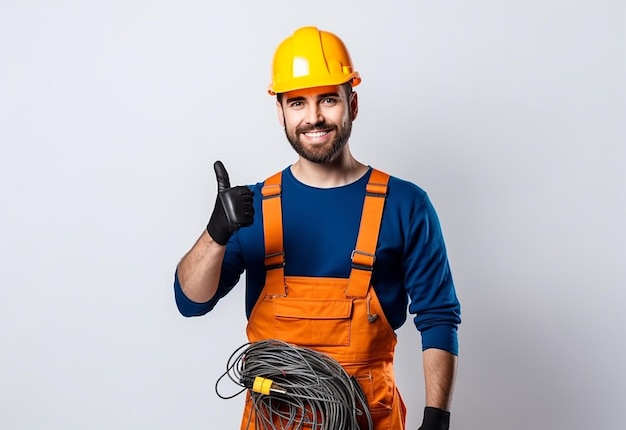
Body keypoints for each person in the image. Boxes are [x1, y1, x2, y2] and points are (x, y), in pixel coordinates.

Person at [174, 26, 461, 430]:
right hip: (275, 418)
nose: (314, 118)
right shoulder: (252, 208)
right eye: (297, 103)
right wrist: (216, 233)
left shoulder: (405, 204)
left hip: (369, 419)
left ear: (353, 104)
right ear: (280, 112)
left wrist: (437, 417)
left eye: (328, 99)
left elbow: (438, 318)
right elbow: (190, 302)